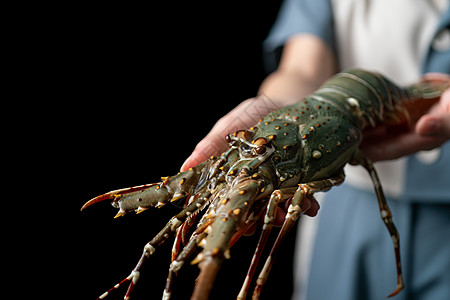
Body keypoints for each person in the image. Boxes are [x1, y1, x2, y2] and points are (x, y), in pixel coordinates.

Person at [182, 0, 450, 299]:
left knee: (289, 206)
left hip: (441, 224)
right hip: (346, 216)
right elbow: (302, 67)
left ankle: (253, 286)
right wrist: (279, 98)